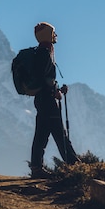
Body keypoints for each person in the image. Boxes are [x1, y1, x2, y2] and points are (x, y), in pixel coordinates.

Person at [29, 22, 80, 178]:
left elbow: (42, 78)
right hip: (48, 101)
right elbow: (46, 78)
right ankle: (75, 167)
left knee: (41, 134)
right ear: (47, 35)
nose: (55, 36)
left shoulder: (39, 52)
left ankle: (37, 168)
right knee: (60, 134)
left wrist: (55, 90)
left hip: (41, 100)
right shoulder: (45, 53)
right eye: (53, 32)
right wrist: (56, 92)